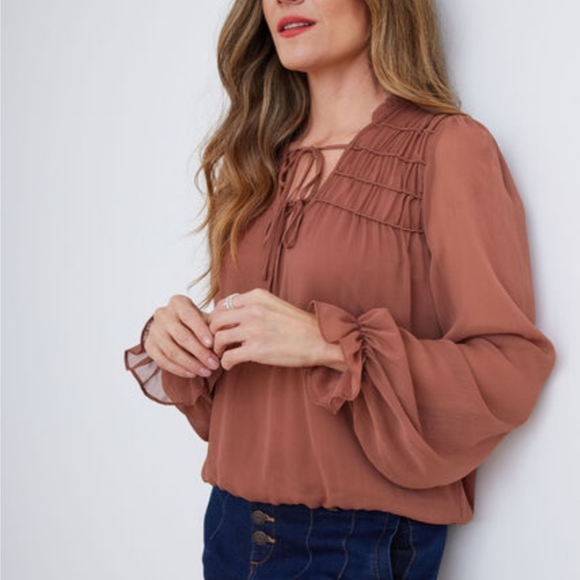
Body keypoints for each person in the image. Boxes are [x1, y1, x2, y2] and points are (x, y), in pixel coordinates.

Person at [125, 0, 556, 578]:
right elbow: (245, 396)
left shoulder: (449, 148)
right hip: (231, 524)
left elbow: (509, 367)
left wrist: (329, 343)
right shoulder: (256, 161)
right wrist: (184, 341)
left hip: (353, 538)